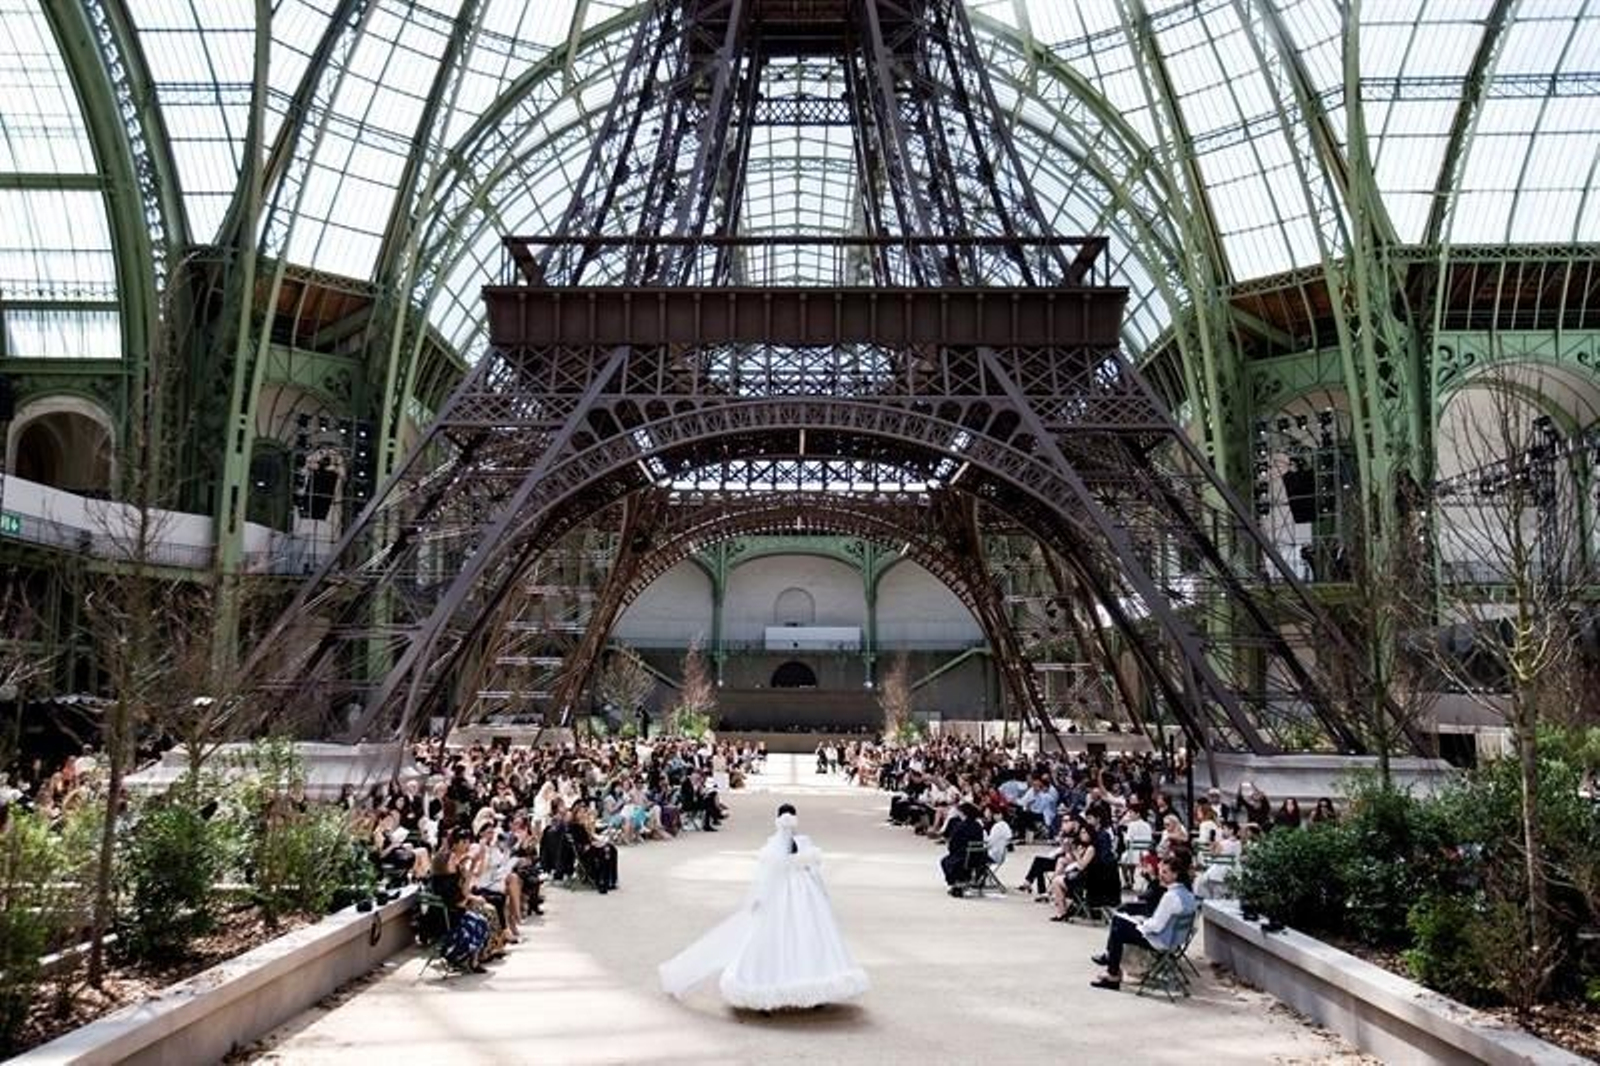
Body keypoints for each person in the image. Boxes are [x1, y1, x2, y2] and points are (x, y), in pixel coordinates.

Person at [659, 804, 869, 1010]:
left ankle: (765, 987)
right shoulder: (804, 843)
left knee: (771, 938)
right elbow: (814, 872)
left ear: (777, 819)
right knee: (808, 936)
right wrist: (822, 897)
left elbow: (765, 877)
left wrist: (758, 900)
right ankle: (816, 986)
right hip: (805, 894)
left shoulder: (773, 846)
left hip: (779, 893)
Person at [1089, 853, 1196, 990]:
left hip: (1161, 940)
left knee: (1118, 927)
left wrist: (1141, 924)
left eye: (1165, 872)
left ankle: (1113, 972)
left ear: (1175, 875)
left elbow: (1156, 926)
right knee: (1121, 923)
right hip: (1175, 940)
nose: (1161, 875)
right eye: (1161, 871)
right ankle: (1112, 966)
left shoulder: (1170, 896)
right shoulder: (1188, 894)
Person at [942, 801, 986, 897]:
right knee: (955, 860)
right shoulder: (978, 826)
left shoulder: (960, 826)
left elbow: (953, 844)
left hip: (963, 856)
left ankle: (955, 883)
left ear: (964, 813)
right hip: (978, 856)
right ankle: (962, 881)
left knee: (946, 861)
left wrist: (953, 851)